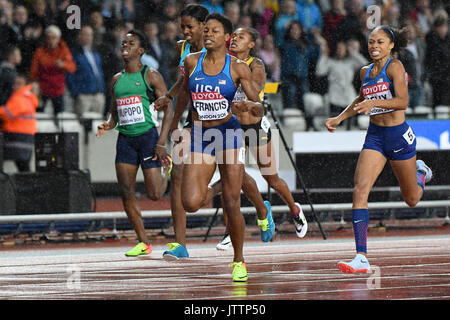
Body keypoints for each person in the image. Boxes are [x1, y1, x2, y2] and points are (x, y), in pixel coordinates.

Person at [325, 26, 433, 274]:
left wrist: (375, 102)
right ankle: (361, 256)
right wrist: (339, 118)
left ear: (391, 45)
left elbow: (403, 101)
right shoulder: (365, 71)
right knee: (360, 190)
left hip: (398, 137)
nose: (374, 45)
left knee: (412, 199)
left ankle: (420, 172)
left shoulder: (394, 67)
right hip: (375, 137)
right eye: (371, 41)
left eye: (380, 42)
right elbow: (360, 100)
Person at [180, 13, 263, 282]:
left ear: (227, 37)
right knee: (191, 202)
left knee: (231, 201)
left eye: (214, 31)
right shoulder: (191, 61)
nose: (208, 34)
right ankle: (216, 185)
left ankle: (239, 260)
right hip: (201, 134)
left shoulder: (238, 67)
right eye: (206, 30)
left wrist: (248, 107)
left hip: (228, 133)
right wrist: (169, 131)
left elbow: (259, 105)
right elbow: (183, 97)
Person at [214, 27, 307, 251]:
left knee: (271, 177)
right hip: (232, 127)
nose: (235, 39)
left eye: (241, 37)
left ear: (252, 44)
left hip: (254, 126)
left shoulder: (255, 65)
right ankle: (230, 231)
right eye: (233, 36)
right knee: (230, 180)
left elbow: (255, 91)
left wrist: (238, 90)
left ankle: (295, 210)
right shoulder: (222, 63)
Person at [96, 30, 173, 258]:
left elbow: (169, 111)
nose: (125, 45)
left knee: (155, 195)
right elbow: (114, 110)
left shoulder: (152, 76)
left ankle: (167, 169)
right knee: (126, 192)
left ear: (141, 51)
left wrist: (161, 141)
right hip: (125, 141)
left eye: (131, 43)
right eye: (123, 43)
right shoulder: (116, 80)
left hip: (148, 137)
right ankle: (144, 241)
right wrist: (109, 125)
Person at [154, 3, 209, 260]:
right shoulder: (184, 49)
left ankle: (263, 213)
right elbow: (184, 85)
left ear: (203, 26)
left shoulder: (217, 49)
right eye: (182, 26)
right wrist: (171, 102)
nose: (185, 31)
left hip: (222, 123)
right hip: (194, 121)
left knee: (236, 184)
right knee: (177, 176)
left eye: (190, 27)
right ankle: (180, 244)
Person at [29, 25, 76, 117]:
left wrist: (63, 65)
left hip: (58, 89)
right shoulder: (40, 51)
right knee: (39, 114)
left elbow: (72, 67)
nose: (51, 41)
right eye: (48, 38)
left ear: (58, 39)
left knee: (59, 116)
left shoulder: (63, 50)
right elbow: (33, 71)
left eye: (53, 38)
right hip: (43, 89)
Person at [0, 74, 39, 172]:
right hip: (26, 136)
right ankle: (28, 185)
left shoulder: (19, 98)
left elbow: (7, 114)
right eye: (15, 83)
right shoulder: (28, 98)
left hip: (17, 135)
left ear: (25, 85)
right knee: (23, 165)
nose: (15, 86)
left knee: (21, 164)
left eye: (19, 84)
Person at [66, 25, 106, 117]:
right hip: (83, 96)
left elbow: (99, 73)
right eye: (86, 35)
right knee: (82, 126)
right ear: (80, 36)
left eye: (90, 35)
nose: (88, 37)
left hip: (98, 95)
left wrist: (102, 91)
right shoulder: (74, 54)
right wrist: (76, 94)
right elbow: (69, 75)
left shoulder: (96, 54)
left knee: (97, 125)